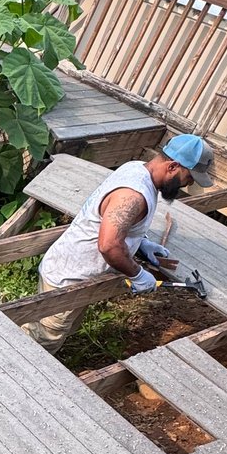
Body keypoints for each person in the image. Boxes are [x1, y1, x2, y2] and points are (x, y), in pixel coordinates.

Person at [24, 134, 214, 353]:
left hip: (78, 274)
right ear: (173, 166)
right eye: (188, 177)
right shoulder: (133, 196)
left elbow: (117, 224)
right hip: (67, 279)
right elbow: (109, 245)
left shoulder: (137, 168)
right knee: (38, 344)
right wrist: (137, 274)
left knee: (59, 329)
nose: (187, 184)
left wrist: (141, 243)